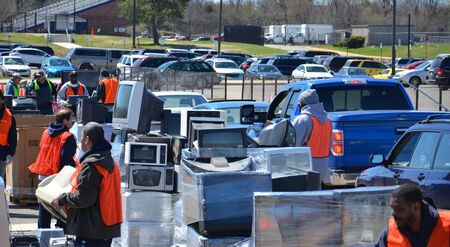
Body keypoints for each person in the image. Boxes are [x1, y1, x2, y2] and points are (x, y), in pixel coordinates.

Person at [52, 122, 122, 247]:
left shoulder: (92, 165)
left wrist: (62, 199)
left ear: (87, 140)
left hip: (92, 231)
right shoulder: (109, 162)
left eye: (82, 137)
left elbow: (84, 198)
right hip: (106, 228)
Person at [28, 108, 77, 229]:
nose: (72, 122)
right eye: (71, 120)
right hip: (58, 178)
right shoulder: (68, 136)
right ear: (65, 121)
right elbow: (67, 160)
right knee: (61, 210)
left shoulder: (46, 133)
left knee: (44, 209)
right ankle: (59, 237)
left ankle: (43, 237)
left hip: (43, 176)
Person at [375, 183, 450, 247]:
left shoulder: (447, 224)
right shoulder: (390, 232)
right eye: (393, 208)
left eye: (399, 209)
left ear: (415, 207)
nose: (393, 214)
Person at [291, 89, 331, 184]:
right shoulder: (327, 121)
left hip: (305, 172)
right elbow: (329, 145)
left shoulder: (302, 120)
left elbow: (292, 146)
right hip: (323, 171)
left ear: (301, 104)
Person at [0, 90, 17, 183]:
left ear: (2, 100)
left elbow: (13, 138)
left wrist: (11, 153)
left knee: (0, 182)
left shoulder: (9, 117)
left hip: (2, 154)